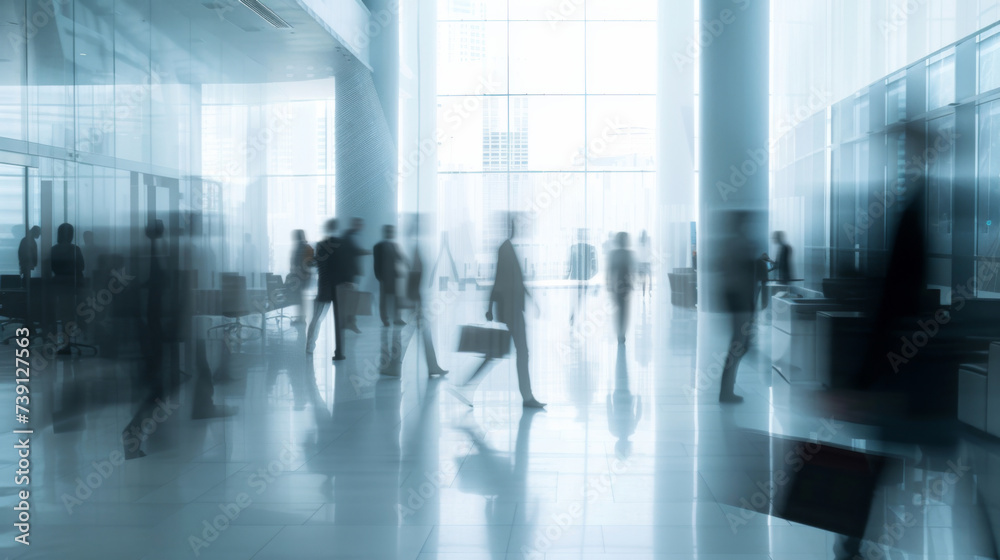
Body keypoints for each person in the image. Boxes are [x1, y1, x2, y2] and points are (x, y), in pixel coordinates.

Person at [450, 216, 545, 409]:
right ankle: (527, 397)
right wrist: (489, 307)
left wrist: (529, 299)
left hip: (511, 308)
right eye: (513, 224)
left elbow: (514, 280)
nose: (516, 227)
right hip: (511, 310)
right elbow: (499, 281)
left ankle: (465, 386)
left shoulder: (507, 247)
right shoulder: (505, 248)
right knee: (521, 352)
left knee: (495, 353)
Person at [718, 212, 757, 404]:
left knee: (739, 345)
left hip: (737, 299)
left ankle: (726, 390)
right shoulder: (740, 244)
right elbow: (744, 276)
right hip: (740, 300)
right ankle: (726, 391)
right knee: (738, 346)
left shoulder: (731, 243)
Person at [401, 217, 447, 377]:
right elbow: (413, 276)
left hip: (415, 299)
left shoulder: (414, 246)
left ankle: (432, 366)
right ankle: (431, 366)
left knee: (417, 335)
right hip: (415, 300)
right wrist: (413, 301)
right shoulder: (412, 247)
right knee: (414, 335)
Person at [305, 219, 347, 360]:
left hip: (324, 286)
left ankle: (310, 346)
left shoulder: (322, 245)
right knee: (335, 320)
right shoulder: (340, 244)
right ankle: (338, 351)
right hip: (337, 287)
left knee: (317, 318)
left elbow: (318, 263)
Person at [340, 217, 372, 334]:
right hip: (349, 274)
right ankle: (350, 323)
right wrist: (368, 252)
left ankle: (348, 323)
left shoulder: (352, 235)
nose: (361, 226)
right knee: (351, 299)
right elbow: (354, 251)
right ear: (355, 224)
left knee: (351, 299)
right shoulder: (348, 236)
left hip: (352, 273)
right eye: (359, 224)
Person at [373, 224, 407, 327]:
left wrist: (407, 264)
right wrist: (379, 276)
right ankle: (385, 319)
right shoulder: (378, 246)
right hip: (384, 276)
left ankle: (397, 318)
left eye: (392, 231)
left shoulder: (394, 245)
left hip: (394, 276)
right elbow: (376, 262)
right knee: (384, 300)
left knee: (396, 298)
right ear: (386, 232)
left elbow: (400, 257)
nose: (391, 233)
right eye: (389, 231)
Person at [607, 232, 636, 344]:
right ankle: (621, 333)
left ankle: (620, 333)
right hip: (624, 285)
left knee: (619, 310)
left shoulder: (614, 254)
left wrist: (609, 284)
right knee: (623, 310)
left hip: (618, 285)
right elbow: (632, 270)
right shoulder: (628, 254)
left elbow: (610, 270)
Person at [567, 228, 597, 325]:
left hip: (575, 279)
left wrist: (566, 277)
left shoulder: (573, 248)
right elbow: (595, 268)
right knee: (581, 299)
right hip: (584, 279)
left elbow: (569, 266)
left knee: (577, 299)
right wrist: (589, 277)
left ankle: (574, 316)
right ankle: (576, 317)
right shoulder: (591, 249)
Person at [288, 229, 314, 324]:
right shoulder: (307, 246)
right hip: (305, 275)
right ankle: (301, 317)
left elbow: (296, 264)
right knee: (301, 297)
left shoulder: (299, 247)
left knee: (299, 298)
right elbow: (311, 262)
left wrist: (300, 274)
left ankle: (301, 318)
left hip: (300, 277)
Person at [637, 230, 652, 297]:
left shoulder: (641, 243)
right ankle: (647, 292)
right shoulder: (647, 243)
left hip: (643, 262)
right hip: (645, 262)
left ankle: (645, 292)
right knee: (647, 278)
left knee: (644, 279)